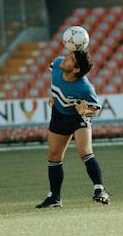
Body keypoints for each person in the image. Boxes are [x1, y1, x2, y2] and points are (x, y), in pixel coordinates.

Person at [35, 50, 110, 208]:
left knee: (84, 150)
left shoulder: (85, 87)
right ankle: (55, 198)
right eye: (70, 55)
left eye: (71, 59)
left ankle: (100, 190)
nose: (65, 58)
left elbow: (96, 107)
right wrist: (54, 98)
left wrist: (85, 111)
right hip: (59, 115)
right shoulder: (56, 64)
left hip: (78, 117)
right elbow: (57, 85)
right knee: (54, 156)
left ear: (76, 70)